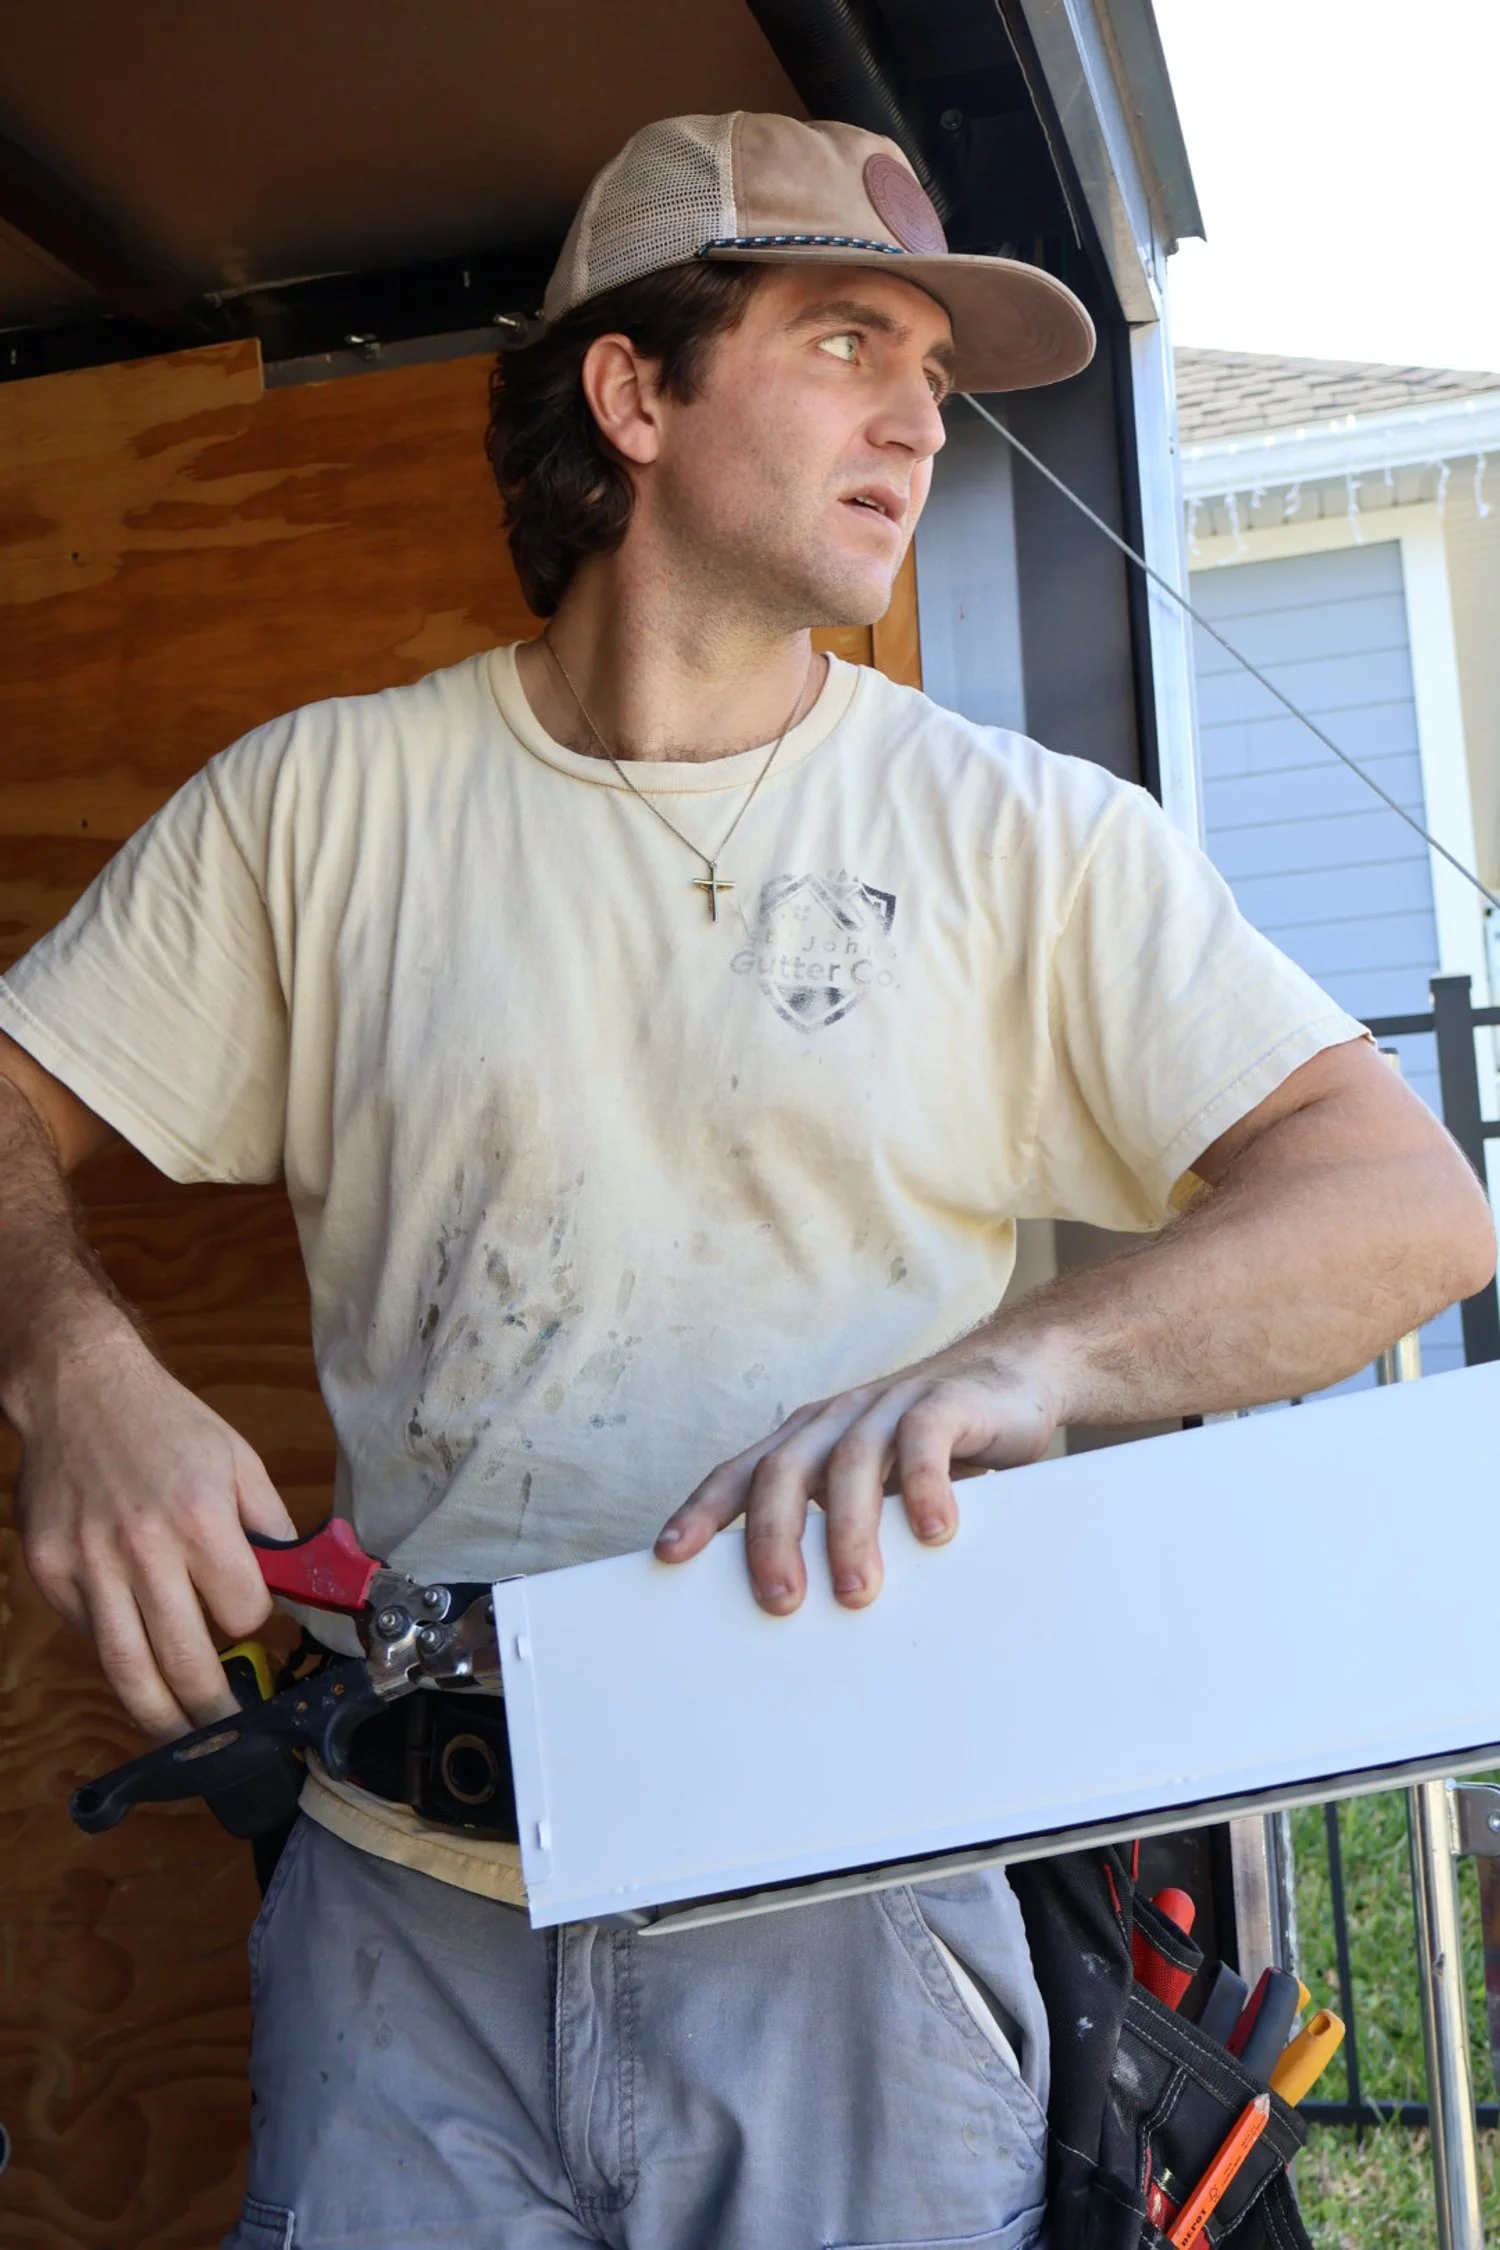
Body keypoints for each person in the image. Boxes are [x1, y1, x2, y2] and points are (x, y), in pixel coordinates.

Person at [0, 111, 1489, 2250]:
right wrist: (77, 1366)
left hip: (859, 1905)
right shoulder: (316, 805)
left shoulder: (1030, 840)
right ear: (634, 391)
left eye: (937, 382)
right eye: (849, 343)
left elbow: (1408, 1206)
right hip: (399, 1926)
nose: (919, 422)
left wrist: (1028, 1372)